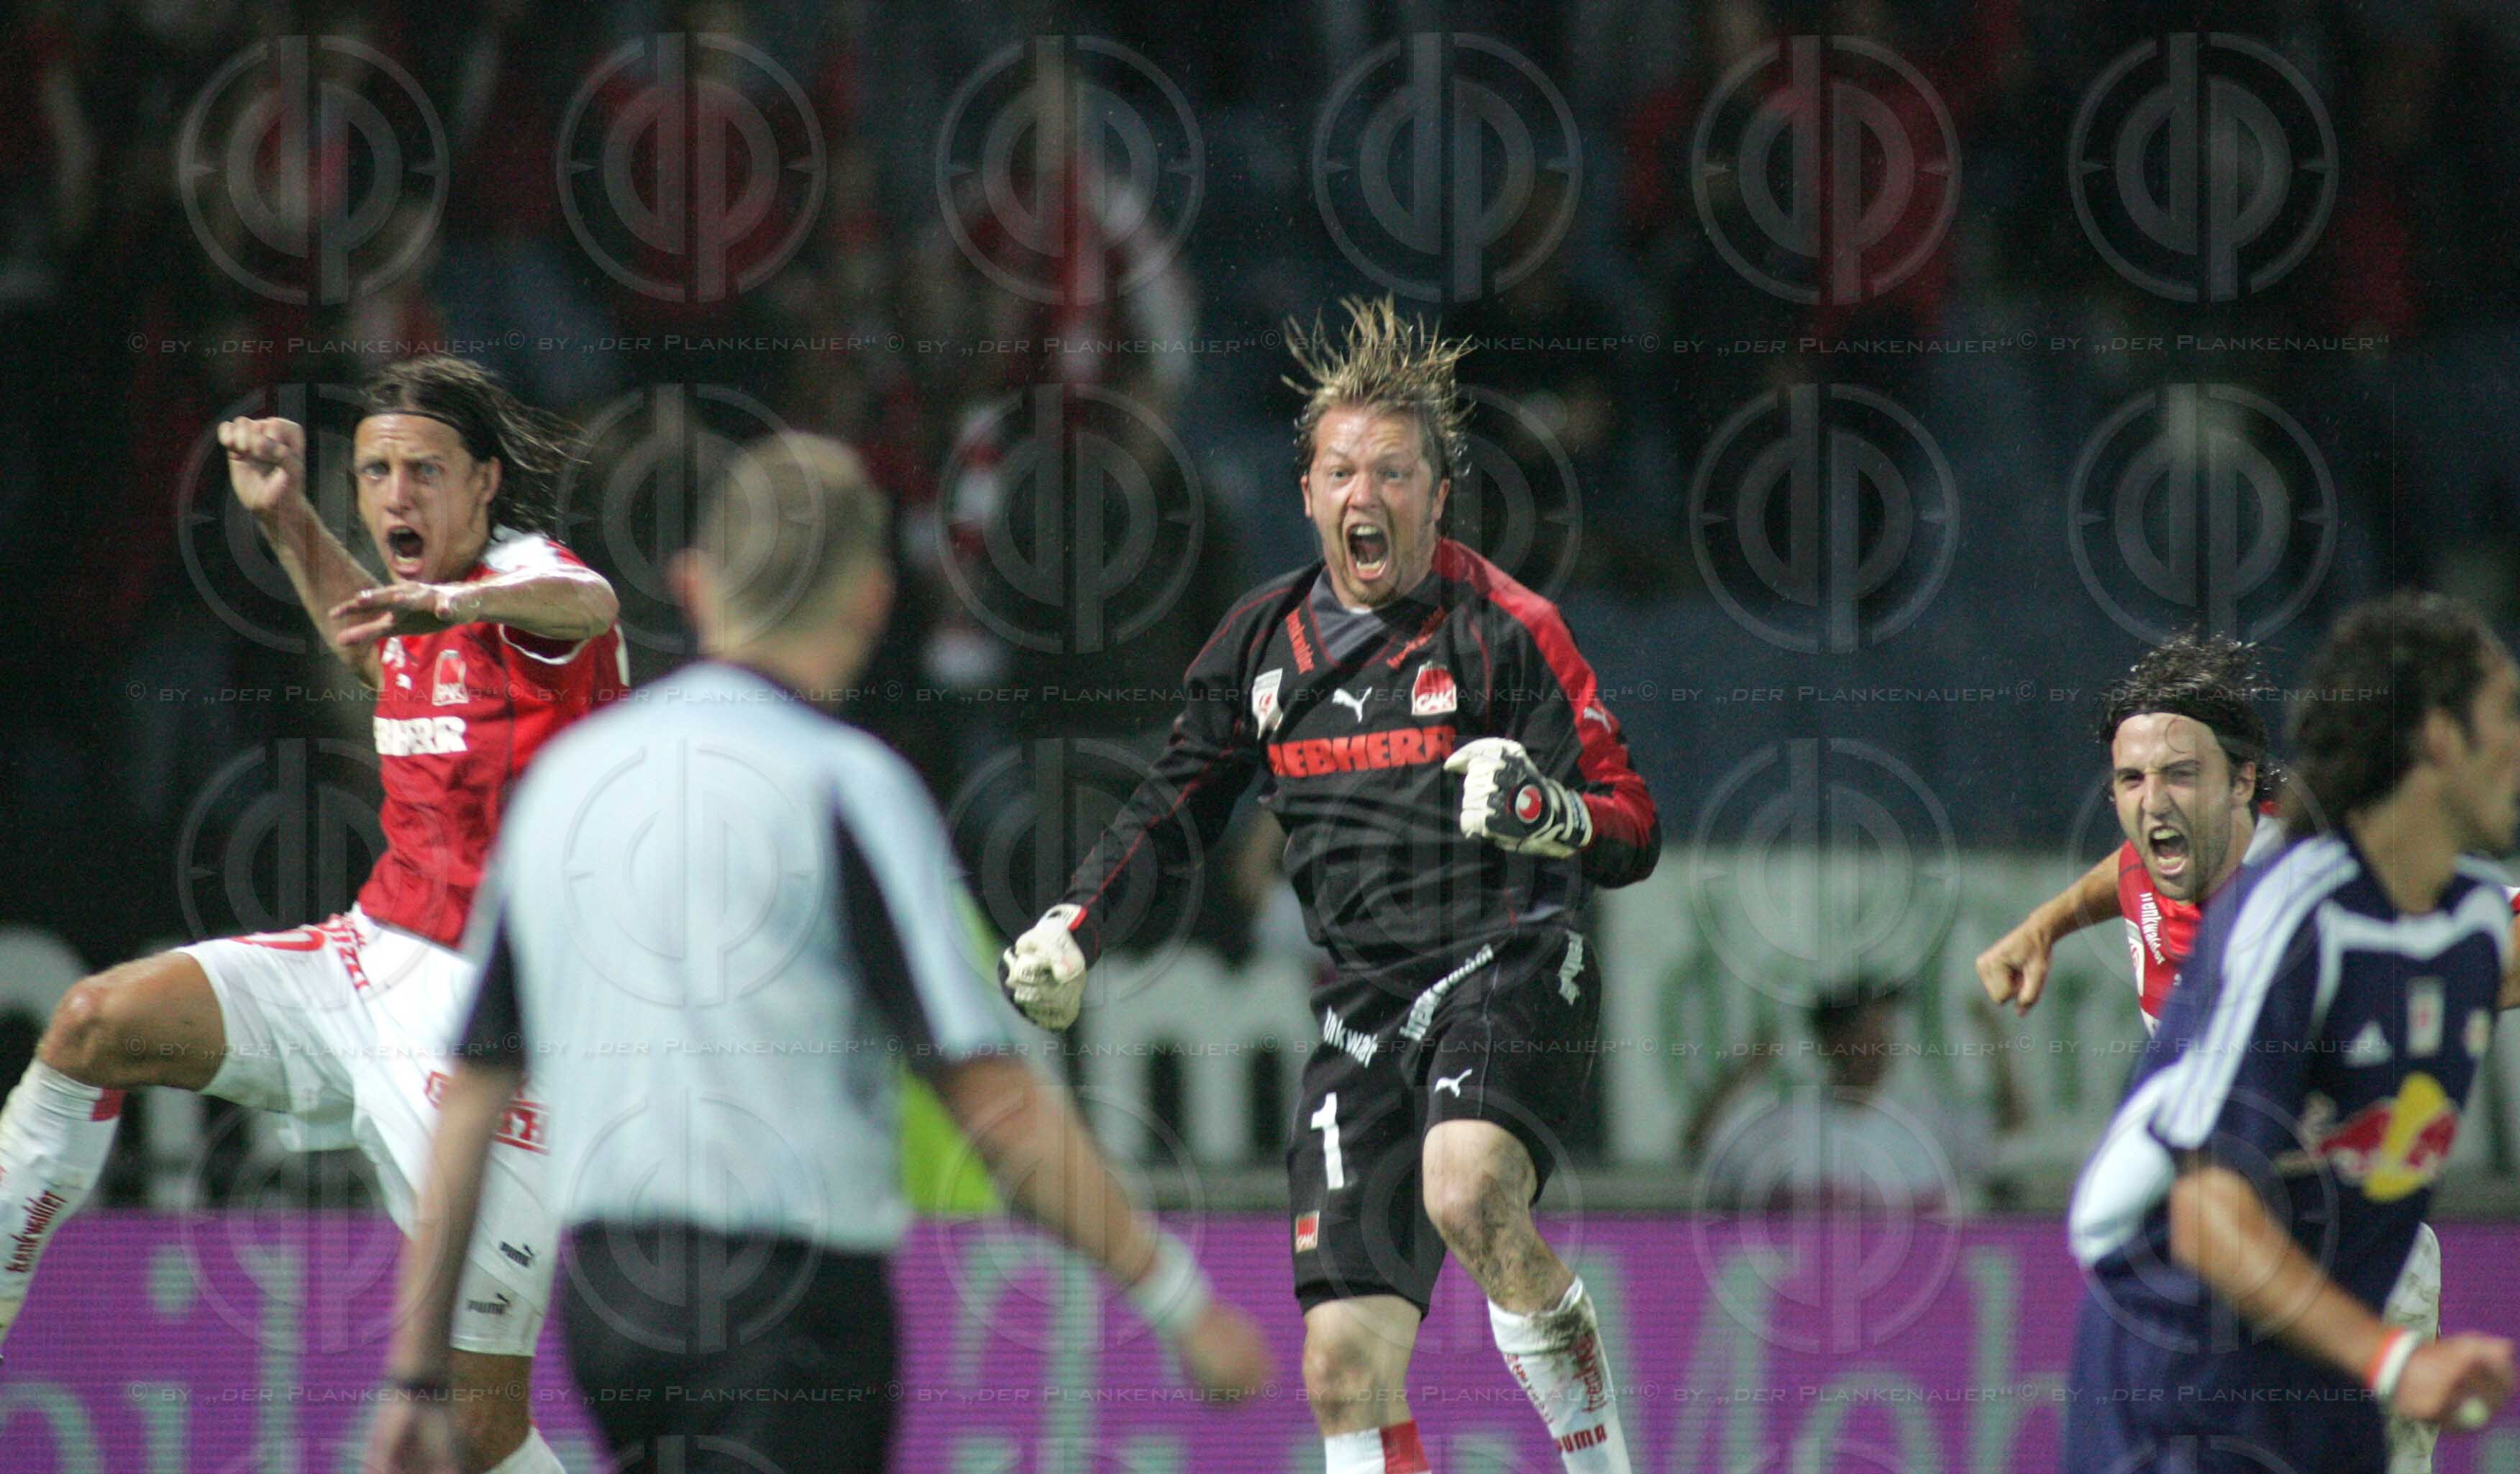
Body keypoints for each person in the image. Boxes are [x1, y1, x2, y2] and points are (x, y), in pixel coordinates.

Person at [364, 434, 1272, 1474]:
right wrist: (1176, 1298)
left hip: (613, 1304)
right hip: (788, 1312)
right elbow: (993, 1101)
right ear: (871, 602)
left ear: (693, 586)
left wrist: (415, 1373)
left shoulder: (566, 784)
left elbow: (472, 1095)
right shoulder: (846, 786)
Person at [998, 297, 1661, 1474]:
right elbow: (1171, 809)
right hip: (1361, 1012)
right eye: (1343, 470)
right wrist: (1072, 928)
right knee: (1340, 1366)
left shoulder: (1507, 630)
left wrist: (1547, 812)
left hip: (1508, 960)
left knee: (1466, 1188)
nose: (1368, 493)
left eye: (1395, 472)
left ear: (1437, 496)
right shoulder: (1258, 647)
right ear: (1306, 491)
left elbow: (1633, 824)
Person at [0, 355, 622, 1473]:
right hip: (361, 963)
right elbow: (366, 638)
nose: (394, 494)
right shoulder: (415, 609)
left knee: (476, 1428)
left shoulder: (527, 580)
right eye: (375, 472)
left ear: (486, 481)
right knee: (93, 1024)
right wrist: (285, 514)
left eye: (425, 470)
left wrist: (457, 602)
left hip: (497, 1033)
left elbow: (592, 603)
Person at [2063, 592, 2520, 1474]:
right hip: (2184, 1355)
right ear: (2438, 739)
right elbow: (2205, 1216)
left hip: (2331, 1351)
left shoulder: (2467, 919)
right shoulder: (2291, 917)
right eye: (2505, 715)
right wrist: (2397, 1362)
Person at [1979, 632, 2446, 1473]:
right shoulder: (2158, 858)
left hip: (2348, 1271)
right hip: (2212, 1280)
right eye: (2131, 780)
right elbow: (2121, 874)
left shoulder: (2329, 885)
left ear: (2242, 783)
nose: (2152, 803)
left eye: (2181, 775)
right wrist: (2044, 926)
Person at [1688, 976, 2024, 1214]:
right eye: (1866, 1034)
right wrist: (1742, 1073)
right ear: (1831, 1041)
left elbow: (2011, 1125)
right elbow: (1698, 1147)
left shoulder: (1925, 1122)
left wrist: (1996, 1043)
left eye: (1885, 1033)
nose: (1880, 1046)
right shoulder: (1784, 1126)